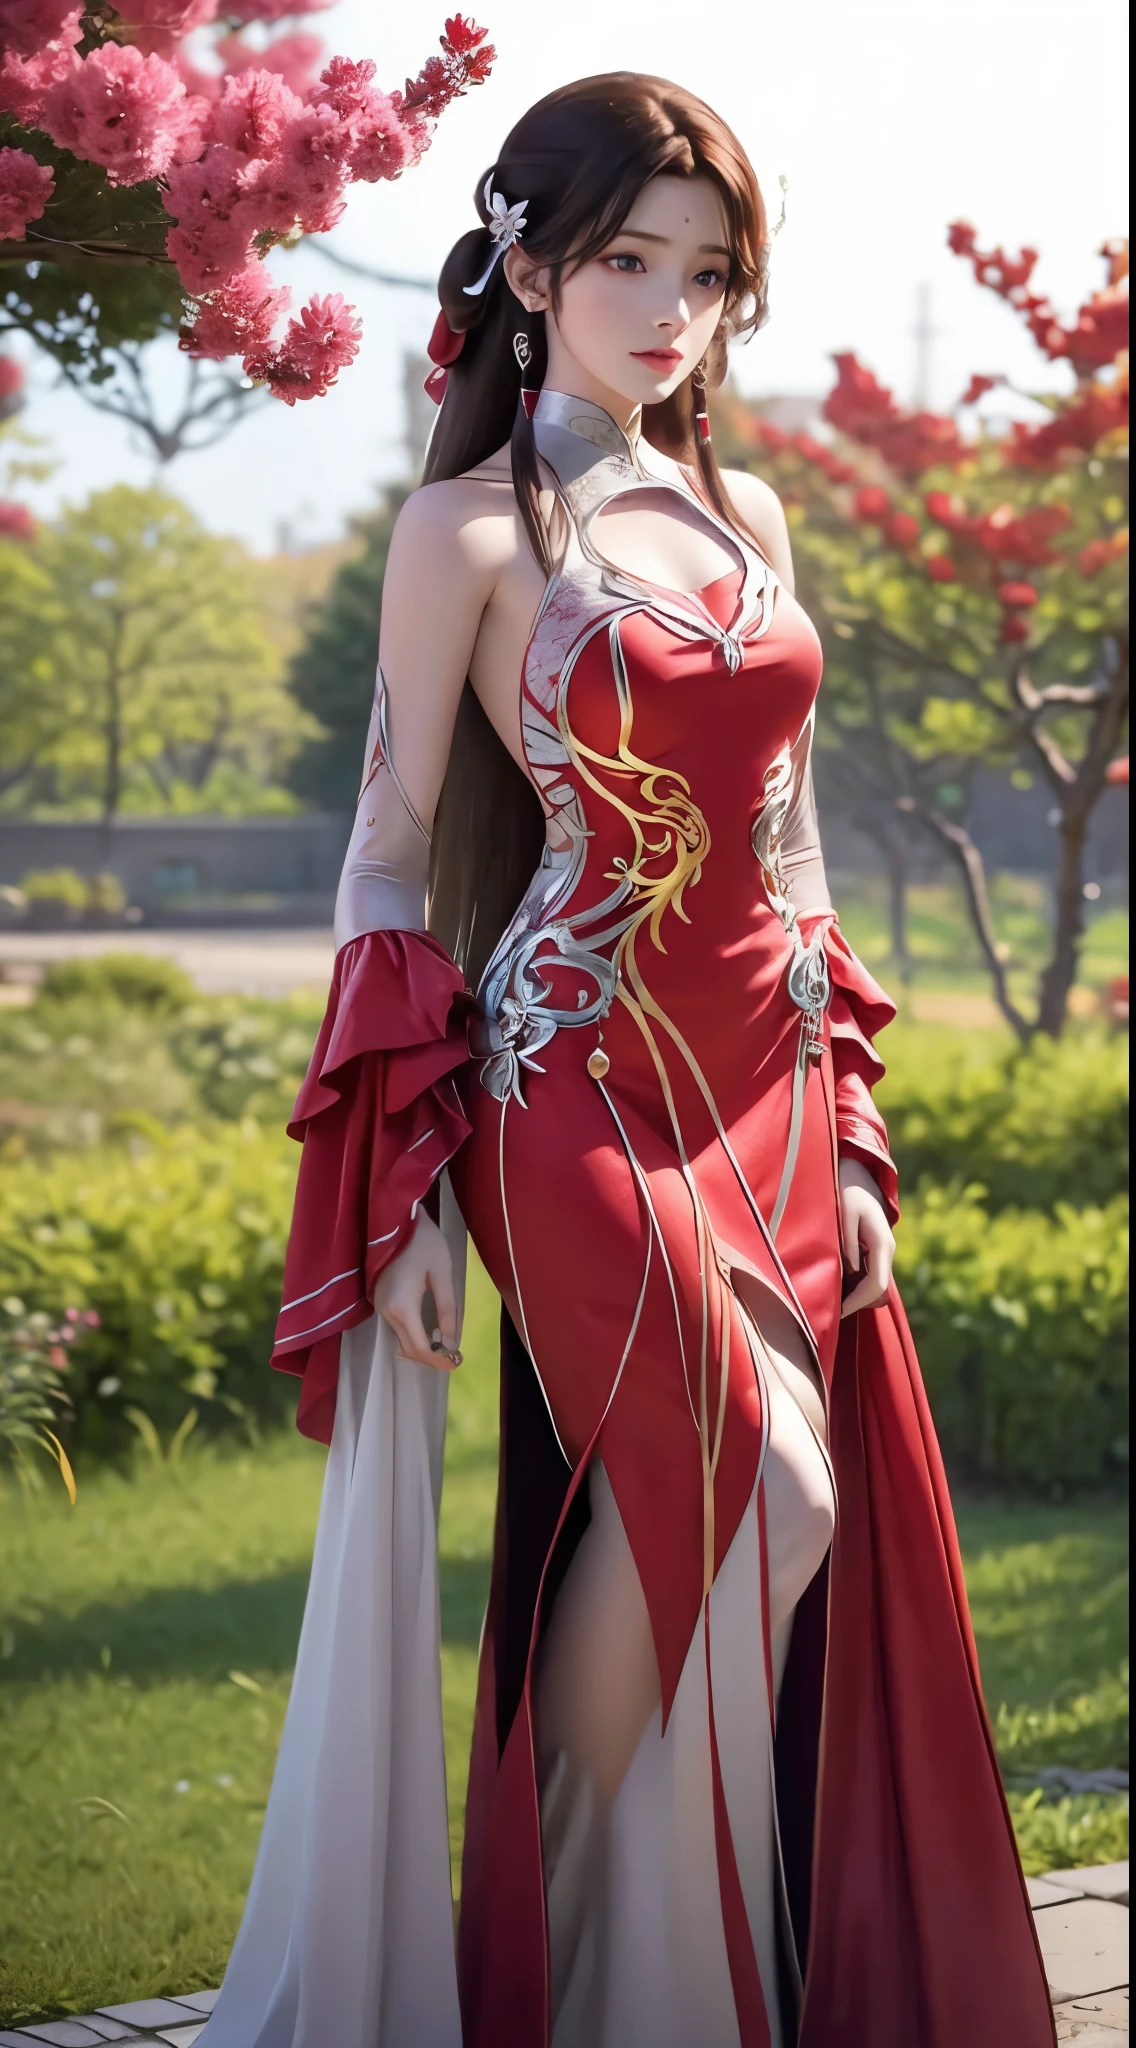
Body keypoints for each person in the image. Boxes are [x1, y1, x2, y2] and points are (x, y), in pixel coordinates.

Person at [205, 72, 1056, 2048]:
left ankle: (670, 1979)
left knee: (750, 1517)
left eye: (708, 272)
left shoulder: (742, 511)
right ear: (524, 268)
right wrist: (396, 1185)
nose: (673, 309)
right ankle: (572, 1959)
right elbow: (392, 855)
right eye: (624, 263)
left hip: (765, 1078)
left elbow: (790, 845)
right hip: (569, 1077)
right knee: (762, 1473)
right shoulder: (469, 534)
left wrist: (851, 1123)